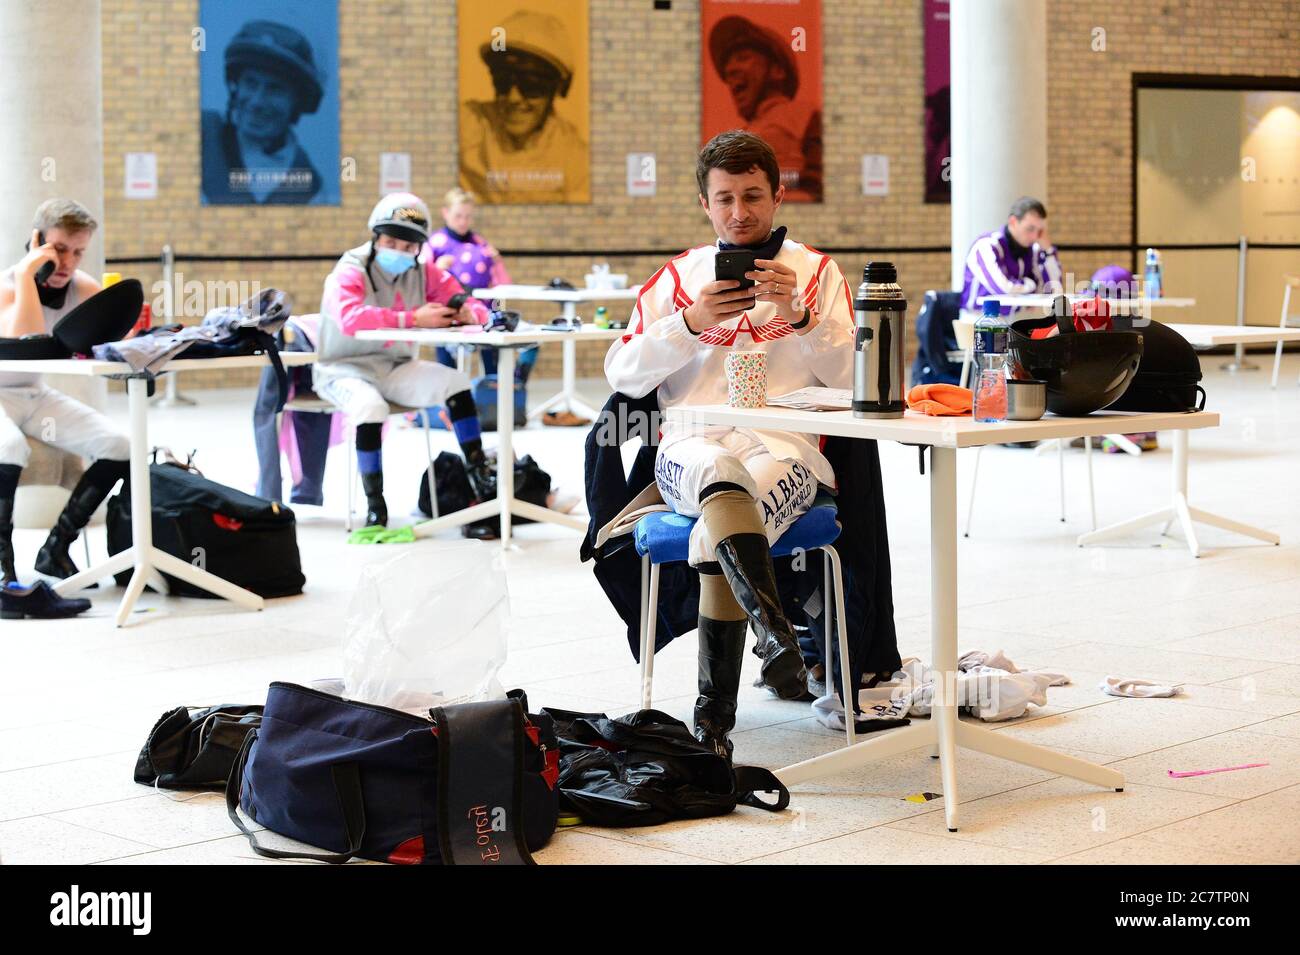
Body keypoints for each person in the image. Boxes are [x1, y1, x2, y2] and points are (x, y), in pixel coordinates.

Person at [604, 131, 855, 759]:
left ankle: (712, 720)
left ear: (777, 196)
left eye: (752, 196)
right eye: (724, 199)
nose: (739, 212)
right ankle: (776, 641)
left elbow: (857, 380)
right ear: (704, 204)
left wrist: (799, 319)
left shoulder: (817, 273)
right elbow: (623, 372)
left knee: (711, 528)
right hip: (689, 446)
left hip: (785, 451)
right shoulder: (677, 279)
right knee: (718, 469)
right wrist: (688, 324)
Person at [313, 193, 497, 534]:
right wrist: (413, 318)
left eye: (408, 245)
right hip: (343, 367)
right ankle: (376, 507)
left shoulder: (425, 272)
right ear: (375, 237)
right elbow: (350, 318)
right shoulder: (350, 269)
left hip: (395, 365)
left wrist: (471, 312)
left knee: (456, 381)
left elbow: (466, 299)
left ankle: (482, 485)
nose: (398, 250)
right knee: (370, 408)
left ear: (419, 248)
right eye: (390, 241)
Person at [0, 199, 129, 585]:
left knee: (120, 444)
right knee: (9, 447)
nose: (69, 262)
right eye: (58, 249)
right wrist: (27, 277)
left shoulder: (82, 287)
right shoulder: (9, 287)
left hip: (33, 396)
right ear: (37, 241)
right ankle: (4, 562)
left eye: (78, 252)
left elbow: (110, 341)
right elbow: (28, 340)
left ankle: (56, 549)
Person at [460, 9, 589, 203]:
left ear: (556, 89)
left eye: (531, 85)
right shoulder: (470, 123)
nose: (513, 98)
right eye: (502, 81)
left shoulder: (575, 162)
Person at [201, 19, 327, 205]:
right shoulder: (202, 135)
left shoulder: (311, 189)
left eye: (275, 89)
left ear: (297, 102)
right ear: (236, 87)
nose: (257, 102)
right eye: (250, 83)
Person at [708, 15, 822, 202]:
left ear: (777, 70)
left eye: (742, 58)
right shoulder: (738, 136)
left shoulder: (806, 115)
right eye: (727, 66)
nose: (730, 71)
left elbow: (817, 187)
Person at [427, 188, 525, 376]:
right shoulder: (435, 242)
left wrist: (497, 262)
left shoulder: (480, 243)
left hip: (484, 311)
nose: (463, 221)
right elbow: (423, 280)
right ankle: (451, 399)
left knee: (491, 354)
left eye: (468, 216)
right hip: (448, 312)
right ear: (445, 213)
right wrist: (437, 267)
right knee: (446, 360)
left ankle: (492, 391)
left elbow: (503, 284)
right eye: (458, 216)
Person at [960, 196, 1063, 313]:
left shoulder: (1033, 249)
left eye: (1039, 231)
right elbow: (1003, 289)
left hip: (1014, 321)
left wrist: (1048, 251)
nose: (1035, 236)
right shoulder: (986, 245)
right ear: (1013, 222)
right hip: (977, 321)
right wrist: (1030, 284)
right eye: (1030, 229)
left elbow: (1054, 291)